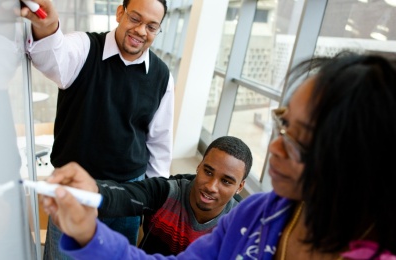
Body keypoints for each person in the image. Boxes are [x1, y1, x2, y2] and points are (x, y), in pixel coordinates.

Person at [41, 51, 396, 259]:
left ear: (360, 166)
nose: (274, 147)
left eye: (299, 141)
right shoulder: (261, 215)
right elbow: (136, 196)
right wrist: (89, 229)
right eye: (282, 124)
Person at [20, 0, 174, 255]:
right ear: (119, 13)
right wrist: (48, 26)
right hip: (75, 189)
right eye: (135, 19)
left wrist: (152, 202)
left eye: (151, 26)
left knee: (113, 255)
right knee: (64, 255)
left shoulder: (161, 75)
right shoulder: (84, 47)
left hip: (128, 192)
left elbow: (159, 143)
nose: (141, 31)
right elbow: (53, 57)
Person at [45, 136, 252, 255]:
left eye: (226, 181)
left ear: (240, 186)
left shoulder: (243, 224)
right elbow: (125, 196)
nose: (212, 186)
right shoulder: (168, 191)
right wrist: (93, 189)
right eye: (208, 171)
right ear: (198, 166)